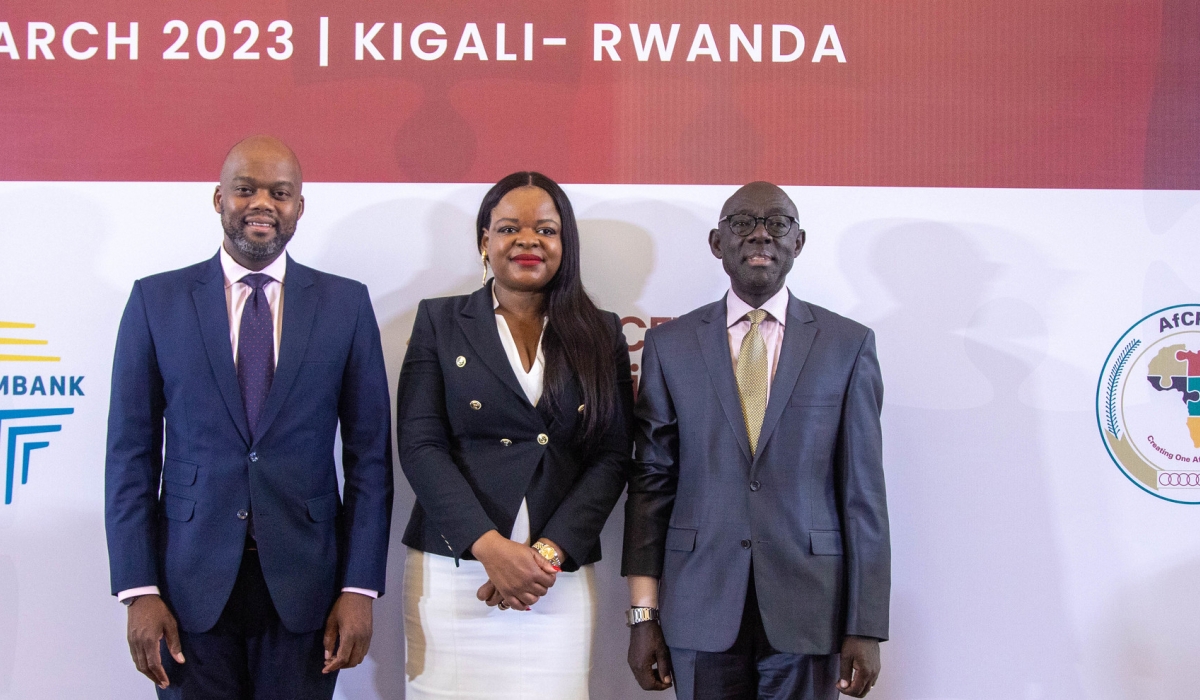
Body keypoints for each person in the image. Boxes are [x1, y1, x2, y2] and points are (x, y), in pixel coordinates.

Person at [105, 135, 394, 699]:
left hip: (307, 587)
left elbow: (370, 459)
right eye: (246, 189)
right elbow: (130, 456)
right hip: (186, 587)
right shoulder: (156, 301)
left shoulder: (346, 305)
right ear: (219, 199)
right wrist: (138, 588)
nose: (262, 203)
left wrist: (360, 586)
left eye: (280, 193)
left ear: (299, 207)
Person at [622, 182, 890, 700]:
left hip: (810, 608)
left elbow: (864, 496)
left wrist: (866, 624)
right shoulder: (669, 346)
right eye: (742, 223)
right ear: (717, 243)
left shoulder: (847, 345)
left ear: (800, 241)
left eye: (777, 222)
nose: (761, 233)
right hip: (698, 606)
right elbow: (651, 485)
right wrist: (642, 616)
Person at [397, 171, 633, 698]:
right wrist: (490, 550)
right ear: (485, 241)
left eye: (545, 230)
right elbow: (420, 444)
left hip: (556, 580)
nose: (527, 241)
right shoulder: (439, 321)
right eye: (509, 228)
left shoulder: (601, 330)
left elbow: (613, 456)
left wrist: (545, 556)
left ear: (564, 244)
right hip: (456, 570)